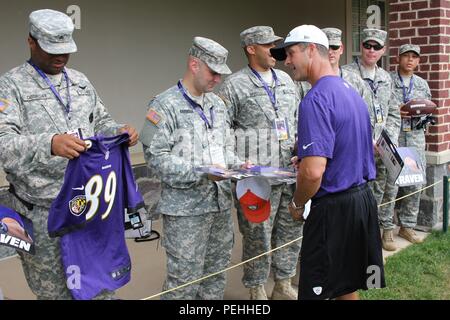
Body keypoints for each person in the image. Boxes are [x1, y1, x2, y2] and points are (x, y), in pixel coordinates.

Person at [0, 9, 138, 300]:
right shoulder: (10, 85)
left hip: (90, 205)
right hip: (43, 212)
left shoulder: (80, 81)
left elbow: (100, 122)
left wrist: (119, 130)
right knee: (55, 293)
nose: (60, 57)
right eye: (52, 50)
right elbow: (3, 142)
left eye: (66, 50)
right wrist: (49, 143)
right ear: (31, 42)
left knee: (99, 285)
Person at [271, 24, 385, 300]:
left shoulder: (315, 99)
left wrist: (297, 204)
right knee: (347, 285)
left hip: (334, 209)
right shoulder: (351, 92)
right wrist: (311, 156)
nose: (287, 62)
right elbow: (346, 147)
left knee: (317, 292)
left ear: (311, 50)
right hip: (361, 203)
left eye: (291, 53)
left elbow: (312, 173)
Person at [140, 37, 236, 300]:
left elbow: (224, 149)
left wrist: (239, 164)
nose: (217, 79)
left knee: (215, 275)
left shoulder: (217, 104)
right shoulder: (163, 105)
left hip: (220, 205)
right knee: (184, 282)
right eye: (213, 72)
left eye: (221, 74)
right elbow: (156, 158)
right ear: (194, 64)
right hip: (186, 212)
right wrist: (201, 171)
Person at [218, 26, 301, 300]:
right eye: (268, 45)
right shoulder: (234, 86)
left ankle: (283, 283)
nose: (275, 50)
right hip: (256, 178)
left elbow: (298, 120)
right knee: (257, 235)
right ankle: (256, 288)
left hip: (290, 171)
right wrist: (239, 163)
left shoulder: (287, 81)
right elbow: (220, 132)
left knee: (290, 230)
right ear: (251, 48)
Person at [342, 29, 401, 250]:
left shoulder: (386, 78)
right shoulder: (346, 74)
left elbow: (393, 112)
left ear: (383, 50)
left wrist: (390, 139)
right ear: (361, 47)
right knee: (356, 194)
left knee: (383, 190)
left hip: (383, 148)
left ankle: (380, 232)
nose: (371, 50)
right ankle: (356, 238)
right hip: (357, 149)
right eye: (368, 45)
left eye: (377, 47)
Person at [378, 44, 430, 249]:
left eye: (414, 57)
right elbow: (381, 107)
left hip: (415, 138)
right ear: (398, 59)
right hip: (395, 137)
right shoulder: (387, 81)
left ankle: (407, 225)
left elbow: (429, 110)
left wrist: (422, 114)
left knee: (415, 184)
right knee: (391, 184)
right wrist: (396, 111)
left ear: (418, 61)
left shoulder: (421, 84)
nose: (410, 60)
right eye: (406, 56)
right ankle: (387, 229)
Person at [321, 27, 373, 107]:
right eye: (326, 48)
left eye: (334, 47)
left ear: (341, 49)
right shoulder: (308, 83)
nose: (330, 52)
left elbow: (367, 113)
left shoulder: (355, 81)